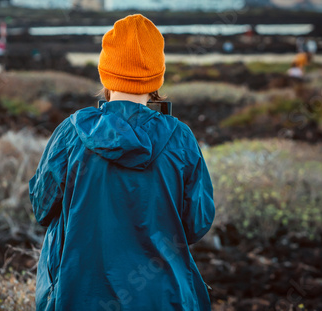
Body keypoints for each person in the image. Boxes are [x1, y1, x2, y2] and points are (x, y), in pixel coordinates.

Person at [29, 14, 215, 311]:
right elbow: (196, 224)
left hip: (79, 297)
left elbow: (41, 206)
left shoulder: (72, 132)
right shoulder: (181, 138)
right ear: (156, 77)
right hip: (164, 299)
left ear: (106, 73)